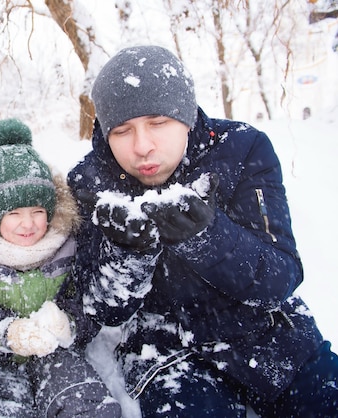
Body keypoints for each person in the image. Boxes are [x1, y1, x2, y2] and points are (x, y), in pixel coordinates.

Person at [68, 45, 338, 417]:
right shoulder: (91, 182)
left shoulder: (242, 150)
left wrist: (206, 237)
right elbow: (101, 308)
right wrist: (128, 254)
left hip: (272, 336)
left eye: (158, 123)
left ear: (186, 115)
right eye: (122, 130)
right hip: (164, 351)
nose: (142, 146)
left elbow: (281, 278)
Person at [0, 118, 121, 417]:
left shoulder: (65, 246)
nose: (28, 223)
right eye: (14, 213)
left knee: (81, 398)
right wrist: (5, 333)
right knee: (2, 407)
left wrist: (68, 323)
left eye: (38, 211)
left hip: (56, 351)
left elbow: (83, 300)